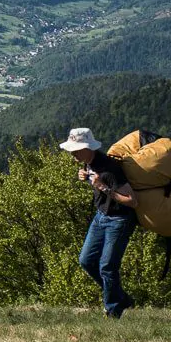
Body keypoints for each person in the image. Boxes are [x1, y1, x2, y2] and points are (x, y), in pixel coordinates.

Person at [60, 127, 139, 318]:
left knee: (107, 266)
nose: (73, 154)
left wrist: (103, 187)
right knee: (86, 261)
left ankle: (113, 310)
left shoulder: (109, 169)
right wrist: (86, 178)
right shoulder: (90, 162)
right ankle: (120, 297)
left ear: (88, 148)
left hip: (119, 220)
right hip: (101, 216)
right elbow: (96, 182)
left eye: (76, 150)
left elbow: (132, 201)